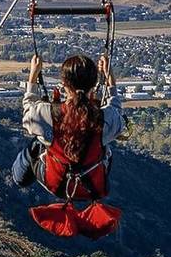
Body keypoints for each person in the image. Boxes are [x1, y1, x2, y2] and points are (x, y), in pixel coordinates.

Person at [12, 53, 124, 199]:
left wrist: (33, 75)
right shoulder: (104, 119)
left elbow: (28, 113)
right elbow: (116, 111)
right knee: (104, 146)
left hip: (55, 183)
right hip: (93, 186)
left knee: (37, 143)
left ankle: (20, 179)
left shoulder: (47, 114)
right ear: (94, 83)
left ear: (64, 84)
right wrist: (110, 78)